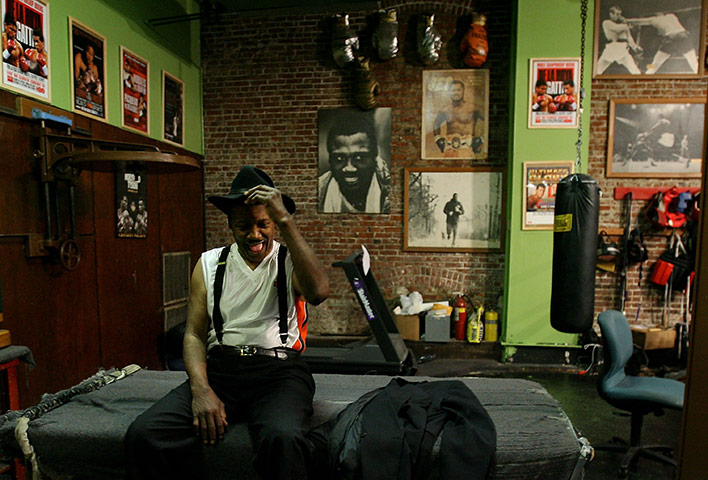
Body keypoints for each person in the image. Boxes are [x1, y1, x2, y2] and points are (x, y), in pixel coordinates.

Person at [125, 165, 330, 480]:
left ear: (274, 223)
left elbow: (318, 292)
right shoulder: (209, 264)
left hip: (279, 375)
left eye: (264, 224)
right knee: (144, 433)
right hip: (223, 371)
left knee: (283, 438)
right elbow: (194, 334)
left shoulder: (291, 260)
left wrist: (286, 219)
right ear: (230, 225)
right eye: (243, 226)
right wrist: (201, 390)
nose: (254, 234)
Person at [318, 111, 390, 213]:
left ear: (374, 155)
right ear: (330, 159)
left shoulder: (391, 190)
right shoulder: (319, 191)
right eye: (340, 159)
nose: (349, 168)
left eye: (359, 157)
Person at [626, 11, 699, 74]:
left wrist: (626, 20)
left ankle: (647, 75)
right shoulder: (672, 16)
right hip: (684, 37)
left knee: (655, 64)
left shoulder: (654, 19)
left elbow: (638, 21)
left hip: (670, 39)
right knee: (694, 63)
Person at [432, 79, 485, 156]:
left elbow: (490, 121)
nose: (455, 93)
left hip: (467, 147)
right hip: (449, 148)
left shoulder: (473, 108)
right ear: (449, 92)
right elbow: (436, 124)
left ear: (463, 91)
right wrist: (438, 139)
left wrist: (481, 139)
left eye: (458, 90)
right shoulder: (445, 110)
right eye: (453, 90)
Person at [596, 5, 643, 75]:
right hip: (612, 48)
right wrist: (626, 23)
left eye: (620, 14)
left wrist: (635, 47)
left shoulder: (624, 26)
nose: (619, 16)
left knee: (635, 70)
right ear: (611, 14)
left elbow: (629, 37)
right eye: (617, 14)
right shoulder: (606, 23)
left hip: (622, 49)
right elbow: (617, 29)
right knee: (597, 70)